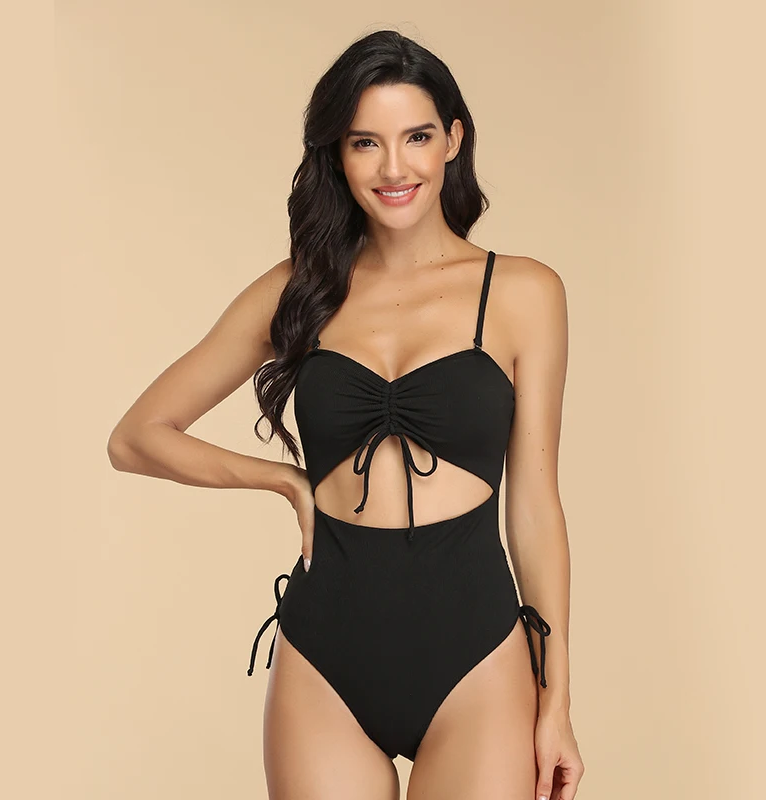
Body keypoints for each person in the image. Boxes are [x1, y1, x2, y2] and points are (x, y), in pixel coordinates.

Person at [108, 29, 584, 800]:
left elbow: (535, 507)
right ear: (337, 153)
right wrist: (283, 480)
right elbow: (136, 438)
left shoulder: (524, 294)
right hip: (324, 657)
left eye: (417, 137)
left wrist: (556, 703)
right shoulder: (299, 289)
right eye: (366, 143)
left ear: (454, 140)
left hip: (478, 657)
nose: (394, 168)